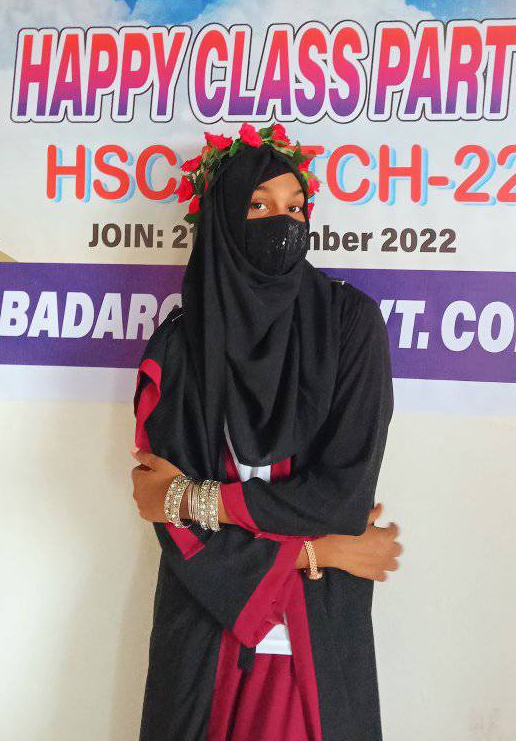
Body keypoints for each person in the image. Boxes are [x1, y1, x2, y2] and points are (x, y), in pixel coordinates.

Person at [130, 124, 401, 741]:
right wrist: (322, 551)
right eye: (258, 206)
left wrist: (196, 498)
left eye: (294, 207)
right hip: (205, 637)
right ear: (223, 222)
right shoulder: (178, 348)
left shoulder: (349, 326)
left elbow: (340, 498)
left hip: (315, 637)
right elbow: (168, 517)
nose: (282, 222)